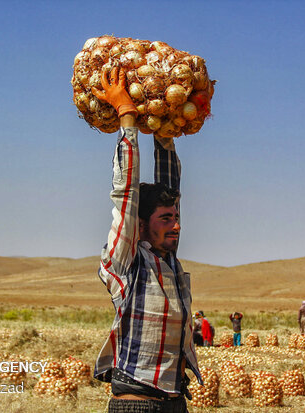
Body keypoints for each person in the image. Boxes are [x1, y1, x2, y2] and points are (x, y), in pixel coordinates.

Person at [93, 67, 205, 412]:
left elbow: (172, 186)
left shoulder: (168, 261)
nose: (176, 226)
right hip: (137, 406)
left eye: (176, 218)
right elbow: (126, 195)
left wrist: (164, 128)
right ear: (140, 225)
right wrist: (127, 116)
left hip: (174, 402)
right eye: (166, 219)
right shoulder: (127, 262)